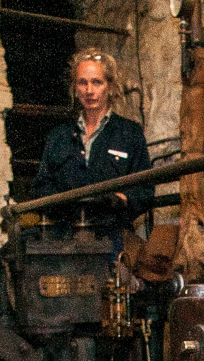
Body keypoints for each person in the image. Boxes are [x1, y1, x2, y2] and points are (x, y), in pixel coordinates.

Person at [32, 48, 153, 233]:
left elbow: (145, 189)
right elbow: (41, 186)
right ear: (75, 87)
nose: (89, 91)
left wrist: (122, 199)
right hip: (63, 237)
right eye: (82, 83)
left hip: (111, 236)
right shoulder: (58, 136)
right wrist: (65, 203)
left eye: (97, 82)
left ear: (110, 86)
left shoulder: (129, 133)